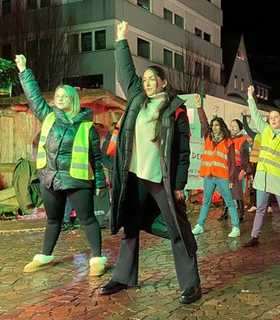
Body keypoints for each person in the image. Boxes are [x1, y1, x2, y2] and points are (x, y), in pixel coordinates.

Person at [99, 21, 202, 304]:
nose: (147, 83)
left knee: (178, 229)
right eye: (144, 80)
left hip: (161, 179)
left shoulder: (175, 109)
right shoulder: (136, 100)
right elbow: (125, 71)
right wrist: (121, 40)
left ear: (164, 82)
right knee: (130, 228)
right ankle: (122, 277)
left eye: (152, 79)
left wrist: (180, 184)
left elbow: (182, 153)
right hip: (134, 176)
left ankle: (192, 284)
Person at [15, 54, 107, 276]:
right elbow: (35, 98)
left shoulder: (86, 127)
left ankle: (96, 258)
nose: (60, 98)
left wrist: (100, 182)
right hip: (50, 178)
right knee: (53, 219)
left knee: (87, 219)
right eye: (57, 95)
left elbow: (95, 156)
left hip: (77, 179)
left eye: (65, 95)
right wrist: (23, 71)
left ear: (73, 99)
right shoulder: (49, 117)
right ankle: (46, 256)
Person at [243, 85, 280, 252]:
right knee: (260, 209)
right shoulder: (265, 130)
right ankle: (254, 237)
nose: (273, 119)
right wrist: (250, 97)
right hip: (263, 178)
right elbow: (254, 114)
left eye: (276, 117)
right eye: (271, 117)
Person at [191, 94, 241, 238]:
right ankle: (200, 225)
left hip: (223, 176)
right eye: (213, 125)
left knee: (230, 202)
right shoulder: (208, 137)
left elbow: (232, 162)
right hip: (209, 175)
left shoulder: (228, 142)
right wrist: (199, 106)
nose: (214, 127)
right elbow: (203, 121)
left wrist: (232, 179)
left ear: (222, 127)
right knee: (206, 201)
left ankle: (236, 227)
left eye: (217, 125)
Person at [217, 118, 249, 222]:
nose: (232, 126)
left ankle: (241, 213)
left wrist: (243, 170)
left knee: (237, 191)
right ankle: (224, 213)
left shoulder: (242, 140)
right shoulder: (227, 139)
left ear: (239, 127)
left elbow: (245, 156)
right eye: (231, 124)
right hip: (226, 168)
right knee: (226, 191)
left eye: (235, 125)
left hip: (237, 168)